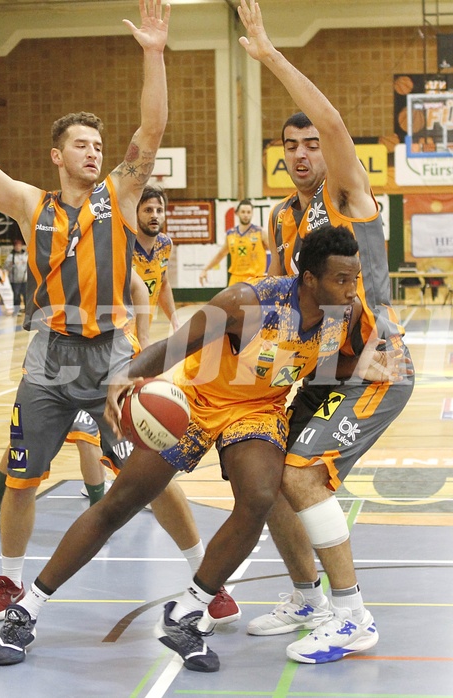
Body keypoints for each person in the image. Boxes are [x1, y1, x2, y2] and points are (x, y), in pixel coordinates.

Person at [0, 225, 407, 668]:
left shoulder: (343, 312)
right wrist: (124, 377)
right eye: (341, 279)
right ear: (309, 280)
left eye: (353, 278)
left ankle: (187, 611)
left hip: (257, 411)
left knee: (260, 497)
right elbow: (173, 346)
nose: (350, 289)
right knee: (119, 504)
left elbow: (329, 360)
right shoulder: (249, 302)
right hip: (194, 401)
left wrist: (362, 366)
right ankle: (26, 608)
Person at [0, 0, 176, 625]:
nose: (94, 152)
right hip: (50, 355)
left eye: (98, 144)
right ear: (57, 154)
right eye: (81, 144)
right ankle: (10, 583)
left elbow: (151, 131)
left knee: (153, 469)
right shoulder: (31, 204)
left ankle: (205, 581)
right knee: (21, 479)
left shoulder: (120, 194)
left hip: (112, 354)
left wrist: (153, 54)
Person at [237, 0, 415, 665]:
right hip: (320, 370)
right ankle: (308, 595)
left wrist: (268, 53)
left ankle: (352, 618)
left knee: (305, 474)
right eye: (293, 144)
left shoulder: (346, 196)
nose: (304, 151)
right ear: (281, 155)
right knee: (264, 467)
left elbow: (335, 121)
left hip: (376, 365)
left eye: (312, 142)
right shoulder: (283, 219)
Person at [0, 410, 113, 533]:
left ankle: (98, 519)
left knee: (84, 435)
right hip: (48, 382)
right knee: (22, 438)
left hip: (87, 381)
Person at [133, 184, 179, 330]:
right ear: (136, 213)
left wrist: (175, 322)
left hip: (143, 332)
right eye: (148, 210)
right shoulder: (122, 246)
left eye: (159, 210)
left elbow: (163, 284)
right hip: (117, 335)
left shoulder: (165, 244)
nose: (154, 215)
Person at [199, 199, 268, 287]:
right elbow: (220, 254)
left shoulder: (260, 232)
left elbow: (275, 252)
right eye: (243, 212)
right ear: (237, 213)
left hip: (255, 279)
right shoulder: (231, 234)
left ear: (252, 214)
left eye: (248, 212)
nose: (246, 215)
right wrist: (205, 269)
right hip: (236, 279)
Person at [3, 239, 28, 312]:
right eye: (16, 246)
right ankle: (17, 310)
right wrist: (9, 265)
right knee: (16, 296)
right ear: (14, 247)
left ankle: (27, 310)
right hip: (15, 280)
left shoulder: (26, 255)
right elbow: (5, 267)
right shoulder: (11, 256)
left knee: (26, 296)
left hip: (25, 279)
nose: (18, 247)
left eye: (19, 246)